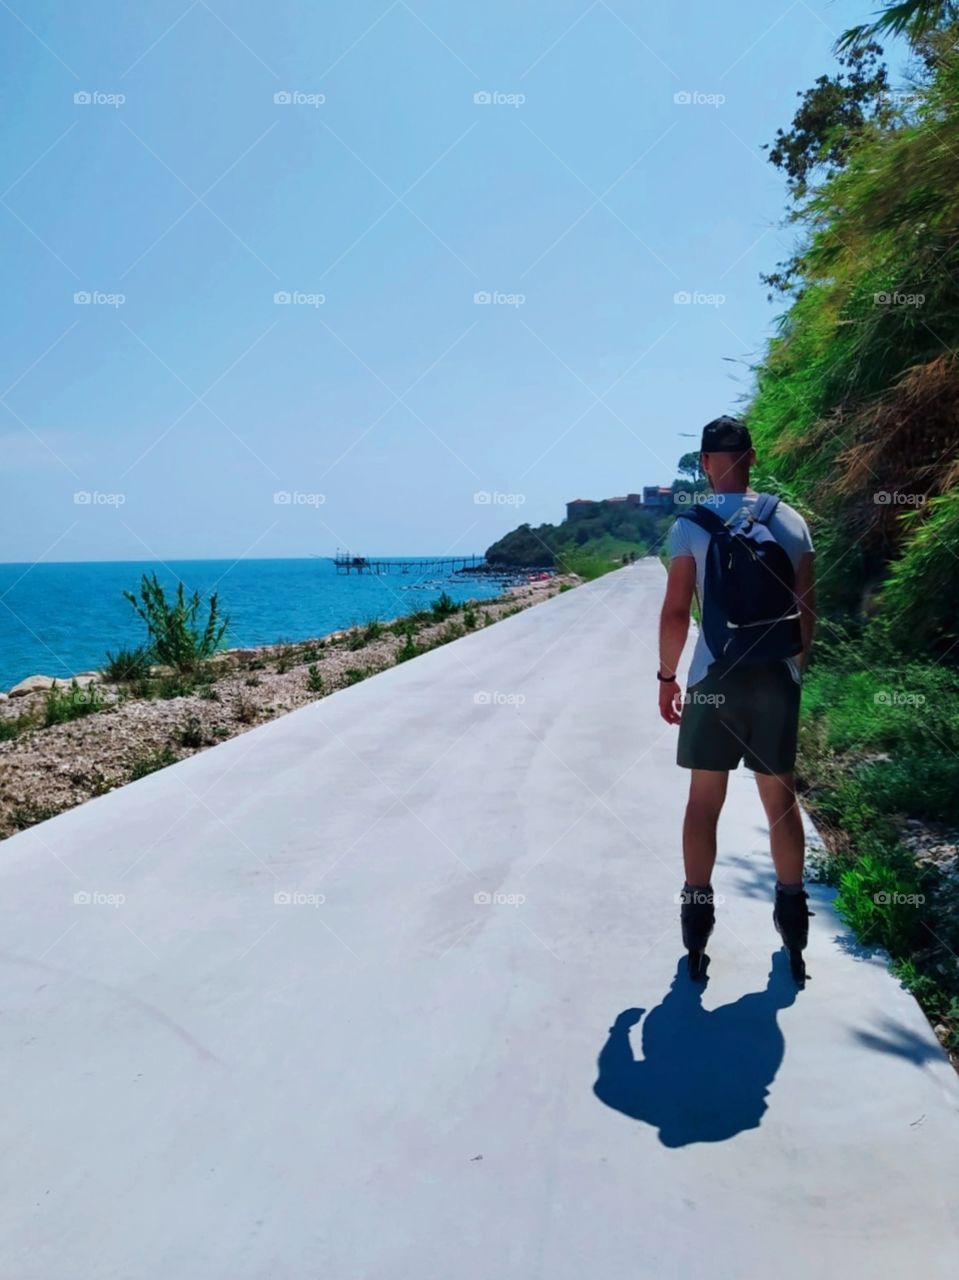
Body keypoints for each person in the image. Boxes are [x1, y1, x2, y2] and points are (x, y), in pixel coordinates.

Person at [657, 416, 816, 982]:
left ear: (705, 463)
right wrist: (792, 671)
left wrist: (667, 677)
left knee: (704, 804)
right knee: (780, 802)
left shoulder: (690, 527)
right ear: (753, 456)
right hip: (774, 676)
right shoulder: (791, 521)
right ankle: (793, 928)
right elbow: (807, 611)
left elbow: (677, 612)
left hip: (712, 681)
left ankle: (696, 930)